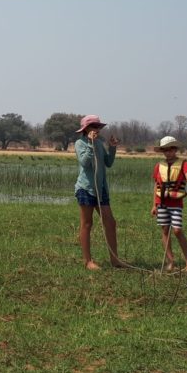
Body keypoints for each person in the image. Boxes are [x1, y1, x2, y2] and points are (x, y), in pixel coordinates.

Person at [75, 114, 122, 270]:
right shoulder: (80, 143)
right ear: (86, 129)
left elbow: (108, 163)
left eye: (98, 126)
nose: (96, 129)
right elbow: (85, 162)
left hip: (101, 189)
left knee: (110, 222)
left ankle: (115, 259)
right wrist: (90, 144)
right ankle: (88, 261)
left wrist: (112, 147)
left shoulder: (101, 142)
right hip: (86, 188)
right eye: (93, 126)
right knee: (87, 223)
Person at [151, 136, 187, 272]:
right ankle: (171, 262)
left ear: (175, 149)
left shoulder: (184, 164)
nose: (168, 152)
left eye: (170, 149)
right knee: (165, 230)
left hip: (176, 203)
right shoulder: (159, 166)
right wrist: (154, 205)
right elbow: (156, 185)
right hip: (162, 202)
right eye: (165, 150)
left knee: (177, 230)